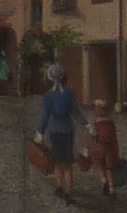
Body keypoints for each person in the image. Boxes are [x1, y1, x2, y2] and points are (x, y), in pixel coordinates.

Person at [37, 62, 79, 198]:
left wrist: (40, 132)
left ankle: (59, 186)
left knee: (57, 161)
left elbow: (44, 117)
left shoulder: (48, 96)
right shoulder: (69, 92)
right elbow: (75, 112)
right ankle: (69, 192)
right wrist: (87, 125)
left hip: (55, 131)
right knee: (68, 164)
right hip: (68, 130)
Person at [87, 95, 122, 198]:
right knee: (109, 168)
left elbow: (92, 136)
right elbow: (114, 138)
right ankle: (111, 189)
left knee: (99, 165)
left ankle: (103, 181)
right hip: (110, 149)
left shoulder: (95, 123)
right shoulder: (111, 123)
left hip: (99, 148)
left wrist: (87, 147)